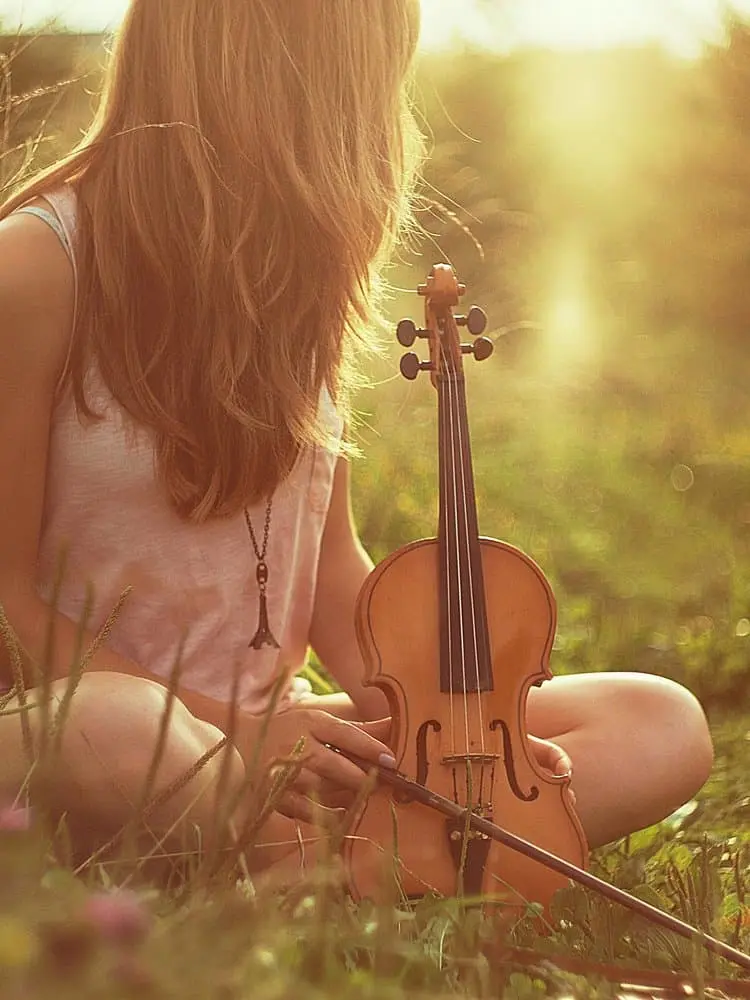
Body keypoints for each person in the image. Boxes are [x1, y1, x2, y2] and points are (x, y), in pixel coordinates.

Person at [0, 0, 712, 880]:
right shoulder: (36, 267)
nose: (385, 122)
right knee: (110, 728)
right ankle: (395, 867)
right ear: (268, 79)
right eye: (368, 84)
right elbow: (11, 604)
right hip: (94, 730)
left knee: (657, 718)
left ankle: (329, 867)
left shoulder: (297, 282)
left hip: (285, 741)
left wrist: (445, 722)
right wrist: (239, 732)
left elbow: (330, 570)